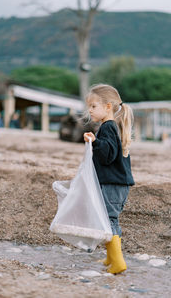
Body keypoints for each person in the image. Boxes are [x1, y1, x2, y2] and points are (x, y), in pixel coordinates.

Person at [83, 84, 135, 275]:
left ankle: (118, 261)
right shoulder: (111, 127)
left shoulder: (108, 127)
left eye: (94, 106)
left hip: (114, 185)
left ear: (108, 107)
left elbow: (108, 155)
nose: (90, 110)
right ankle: (111, 257)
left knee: (109, 220)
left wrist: (95, 142)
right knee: (107, 219)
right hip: (116, 184)